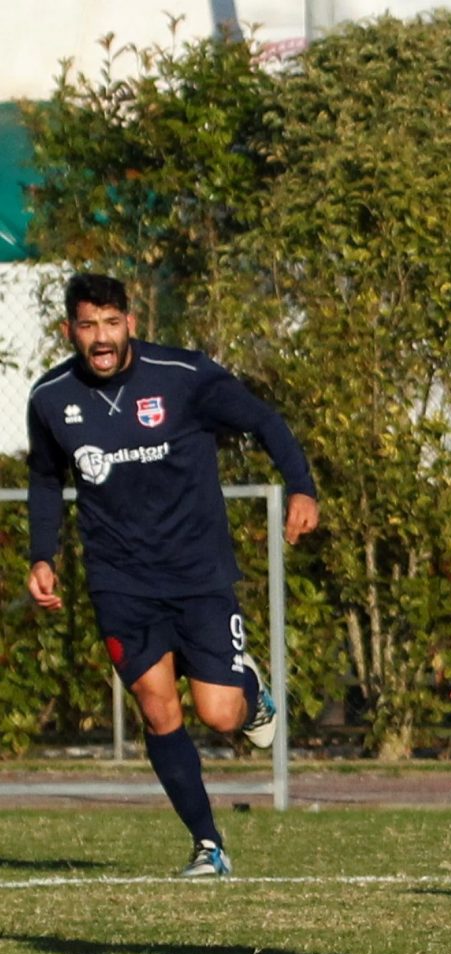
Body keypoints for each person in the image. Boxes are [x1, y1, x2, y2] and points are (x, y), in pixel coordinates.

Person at [26, 272, 319, 877]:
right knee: (158, 710)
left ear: (131, 323)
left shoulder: (184, 376)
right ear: (69, 330)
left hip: (197, 572)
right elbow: (46, 480)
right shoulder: (51, 398)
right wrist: (42, 556)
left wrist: (301, 487)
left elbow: (264, 421)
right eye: (88, 325)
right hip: (119, 580)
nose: (101, 338)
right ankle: (208, 845)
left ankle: (251, 694)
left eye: (112, 323)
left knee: (219, 714)